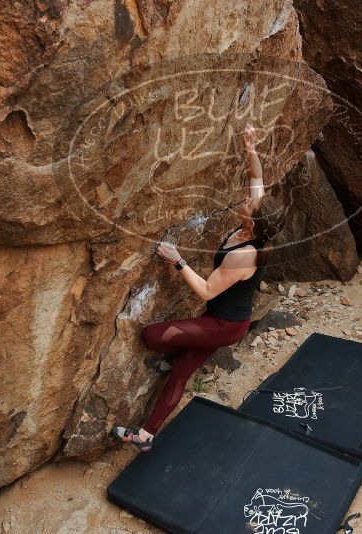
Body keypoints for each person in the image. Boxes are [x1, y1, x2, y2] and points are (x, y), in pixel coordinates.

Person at [112, 124, 285, 452]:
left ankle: (174, 362)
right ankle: (146, 436)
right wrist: (250, 147)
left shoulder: (245, 257)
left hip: (224, 326)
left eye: (250, 203)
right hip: (220, 319)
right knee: (179, 372)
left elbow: (207, 291)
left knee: (152, 337)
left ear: (250, 222)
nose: (247, 198)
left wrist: (178, 261)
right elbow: (257, 178)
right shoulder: (258, 225)